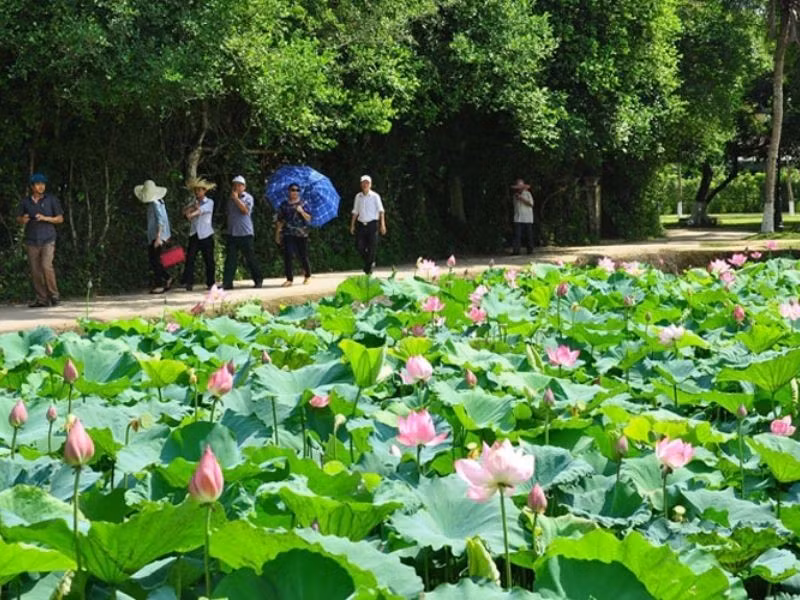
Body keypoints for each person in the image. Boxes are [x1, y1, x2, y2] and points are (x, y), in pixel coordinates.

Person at [17, 173, 64, 307]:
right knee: (35, 270)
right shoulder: (26, 201)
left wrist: (45, 218)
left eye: (43, 184)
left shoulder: (51, 200)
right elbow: (19, 218)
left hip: (48, 238)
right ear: (32, 187)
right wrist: (23, 220)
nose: (41, 187)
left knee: (46, 266)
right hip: (32, 239)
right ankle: (41, 299)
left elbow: (60, 219)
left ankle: (54, 296)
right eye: (38, 184)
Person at [223, 175, 262, 290]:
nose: (236, 187)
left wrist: (236, 199)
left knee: (250, 258)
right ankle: (227, 283)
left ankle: (258, 280)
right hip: (232, 233)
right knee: (230, 259)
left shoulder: (248, 198)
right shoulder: (230, 199)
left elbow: (245, 211)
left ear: (244, 187)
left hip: (245, 233)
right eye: (234, 185)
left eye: (239, 185)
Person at [135, 180, 173, 294]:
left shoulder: (156, 203)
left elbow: (161, 221)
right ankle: (166, 279)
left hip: (157, 236)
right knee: (154, 260)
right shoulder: (158, 202)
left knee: (155, 260)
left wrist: (158, 238)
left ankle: (161, 283)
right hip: (156, 235)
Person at [180, 177, 216, 291]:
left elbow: (201, 211)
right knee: (190, 258)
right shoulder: (193, 202)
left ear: (204, 191)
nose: (197, 192)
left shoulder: (209, 202)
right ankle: (189, 283)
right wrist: (190, 209)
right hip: (194, 234)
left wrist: (193, 213)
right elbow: (184, 213)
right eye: (196, 190)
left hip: (206, 234)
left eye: (199, 190)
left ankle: (211, 283)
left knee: (209, 260)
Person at [275, 182, 312, 287]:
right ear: (289, 191)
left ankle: (307, 275)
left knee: (303, 255)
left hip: (302, 233)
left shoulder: (304, 203)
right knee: (288, 255)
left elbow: (309, 218)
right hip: (288, 233)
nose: (295, 192)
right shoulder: (284, 204)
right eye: (292, 190)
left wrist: (301, 211)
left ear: (299, 192)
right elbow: (280, 220)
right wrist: (277, 234)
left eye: (297, 190)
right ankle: (289, 279)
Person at [349, 175, 386, 274]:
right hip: (361, 224)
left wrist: (382, 224)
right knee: (359, 246)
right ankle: (369, 263)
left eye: (367, 183)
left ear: (370, 184)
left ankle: (368, 269)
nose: (365, 185)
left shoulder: (375, 196)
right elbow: (355, 212)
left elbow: (381, 211)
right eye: (363, 183)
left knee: (372, 247)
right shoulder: (358, 197)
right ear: (361, 184)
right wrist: (352, 225)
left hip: (372, 224)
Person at [511, 178, 534, 255]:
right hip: (518, 217)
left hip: (527, 218)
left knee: (529, 235)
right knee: (517, 235)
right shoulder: (515, 195)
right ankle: (516, 251)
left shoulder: (528, 194)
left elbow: (531, 204)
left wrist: (522, 199)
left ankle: (530, 250)